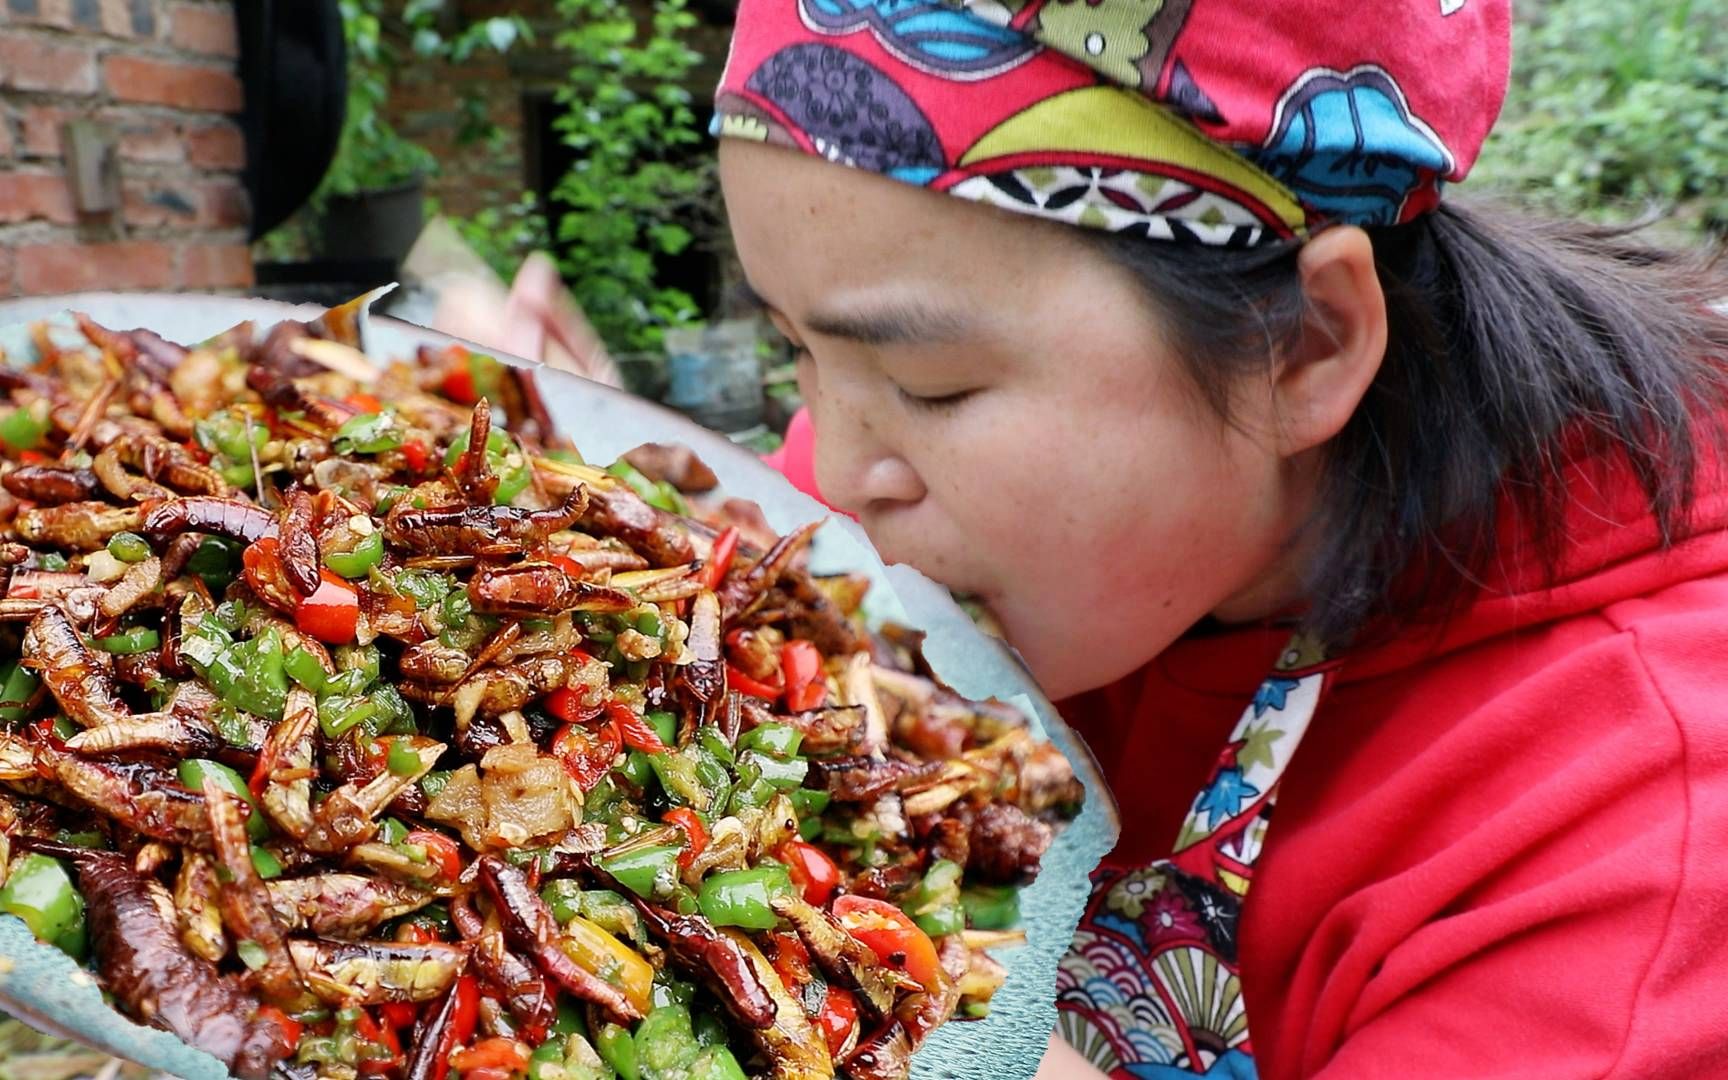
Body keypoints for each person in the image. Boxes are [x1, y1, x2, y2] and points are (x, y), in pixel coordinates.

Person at [701, 0, 1728, 1077]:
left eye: (932, 386)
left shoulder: (1641, 839)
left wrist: (899, 1024)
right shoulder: (976, 517)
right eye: (799, 355)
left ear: (1307, 349)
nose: (836, 475)